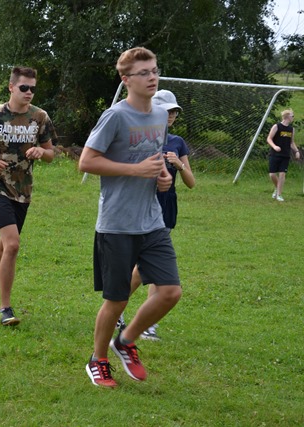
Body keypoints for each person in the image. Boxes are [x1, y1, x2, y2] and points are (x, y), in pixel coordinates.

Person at [78, 47, 182, 388]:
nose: (152, 77)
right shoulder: (115, 117)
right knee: (117, 298)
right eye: (144, 73)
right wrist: (135, 170)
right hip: (116, 223)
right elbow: (86, 162)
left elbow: (155, 159)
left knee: (170, 292)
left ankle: (125, 341)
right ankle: (98, 360)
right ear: (126, 80)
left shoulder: (160, 115)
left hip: (152, 220)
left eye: (155, 70)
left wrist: (162, 177)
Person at [0, 66, 56, 326]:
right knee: (13, 245)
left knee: (5, 248)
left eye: (32, 89)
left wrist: (41, 152)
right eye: (24, 87)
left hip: (23, 191)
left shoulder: (40, 117)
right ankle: (6, 308)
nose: (29, 93)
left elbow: (51, 153)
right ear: (11, 87)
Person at [118, 89, 196, 342]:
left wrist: (179, 164)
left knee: (154, 268)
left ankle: (146, 323)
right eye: (167, 111)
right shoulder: (142, 137)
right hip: (141, 204)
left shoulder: (177, 142)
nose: (171, 115)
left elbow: (191, 182)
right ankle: (118, 308)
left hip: (167, 206)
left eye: (175, 112)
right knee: (145, 267)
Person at [267, 108, 299, 202]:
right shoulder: (277, 126)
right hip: (275, 154)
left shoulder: (291, 129)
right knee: (272, 174)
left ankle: (279, 194)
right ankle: (277, 188)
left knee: (282, 174)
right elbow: (269, 139)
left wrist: (296, 151)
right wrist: (274, 146)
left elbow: (291, 142)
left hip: (285, 155)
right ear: (287, 116)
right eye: (292, 116)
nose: (293, 118)